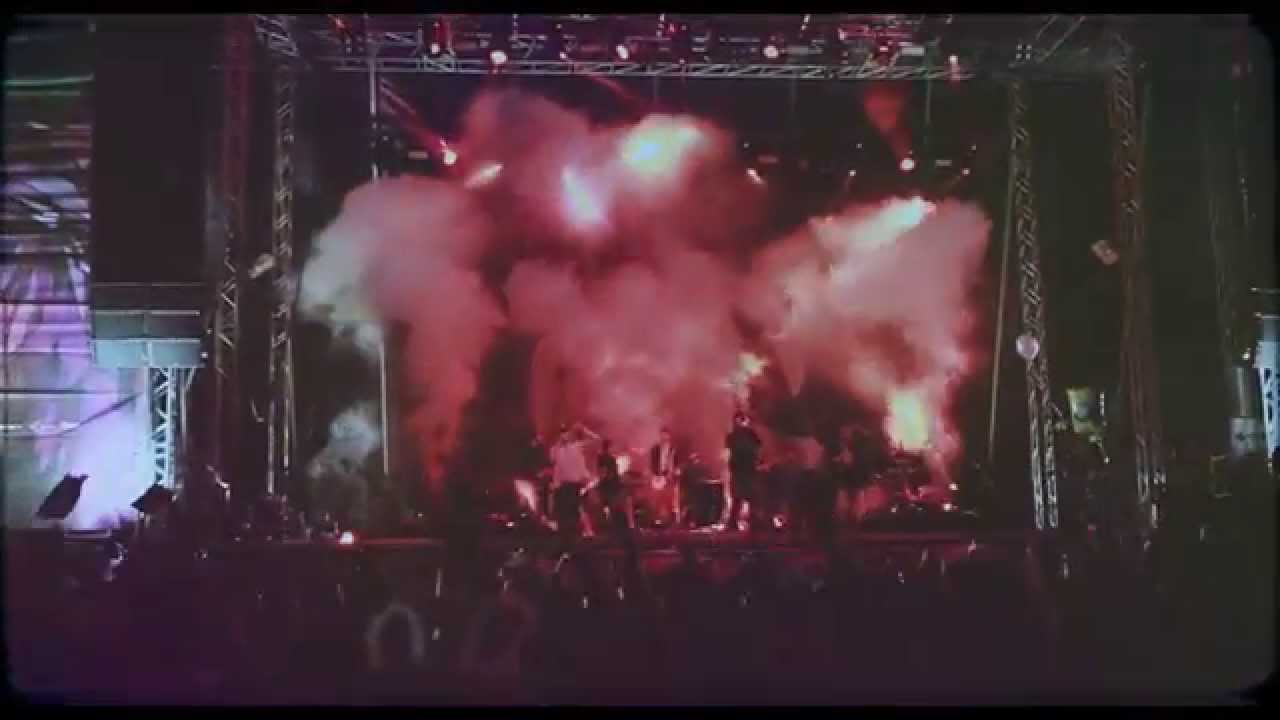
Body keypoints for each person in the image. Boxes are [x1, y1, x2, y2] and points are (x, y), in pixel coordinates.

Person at [550, 422, 599, 540]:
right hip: (563, 485)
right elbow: (553, 460)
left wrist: (584, 430)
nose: (564, 435)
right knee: (567, 511)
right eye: (561, 433)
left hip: (578, 483)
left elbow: (596, 440)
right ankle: (572, 533)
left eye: (566, 433)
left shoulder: (577, 446)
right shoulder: (556, 450)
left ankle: (588, 530)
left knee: (579, 507)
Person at [724, 411, 763, 533]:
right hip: (740, 470)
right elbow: (730, 446)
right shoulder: (734, 435)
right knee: (739, 498)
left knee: (750, 498)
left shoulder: (750, 434)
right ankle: (734, 523)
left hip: (748, 470)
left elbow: (758, 445)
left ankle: (753, 523)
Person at [649, 427, 682, 527]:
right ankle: (657, 519)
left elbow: (678, 464)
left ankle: (673, 520)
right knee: (657, 500)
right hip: (658, 478)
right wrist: (655, 475)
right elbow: (652, 464)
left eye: (666, 435)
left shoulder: (674, 449)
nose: (664, 437)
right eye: (662, 435)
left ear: (669, 436)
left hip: (670, 477)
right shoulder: (655, 449)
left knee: (671, 499)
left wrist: (675, 471)